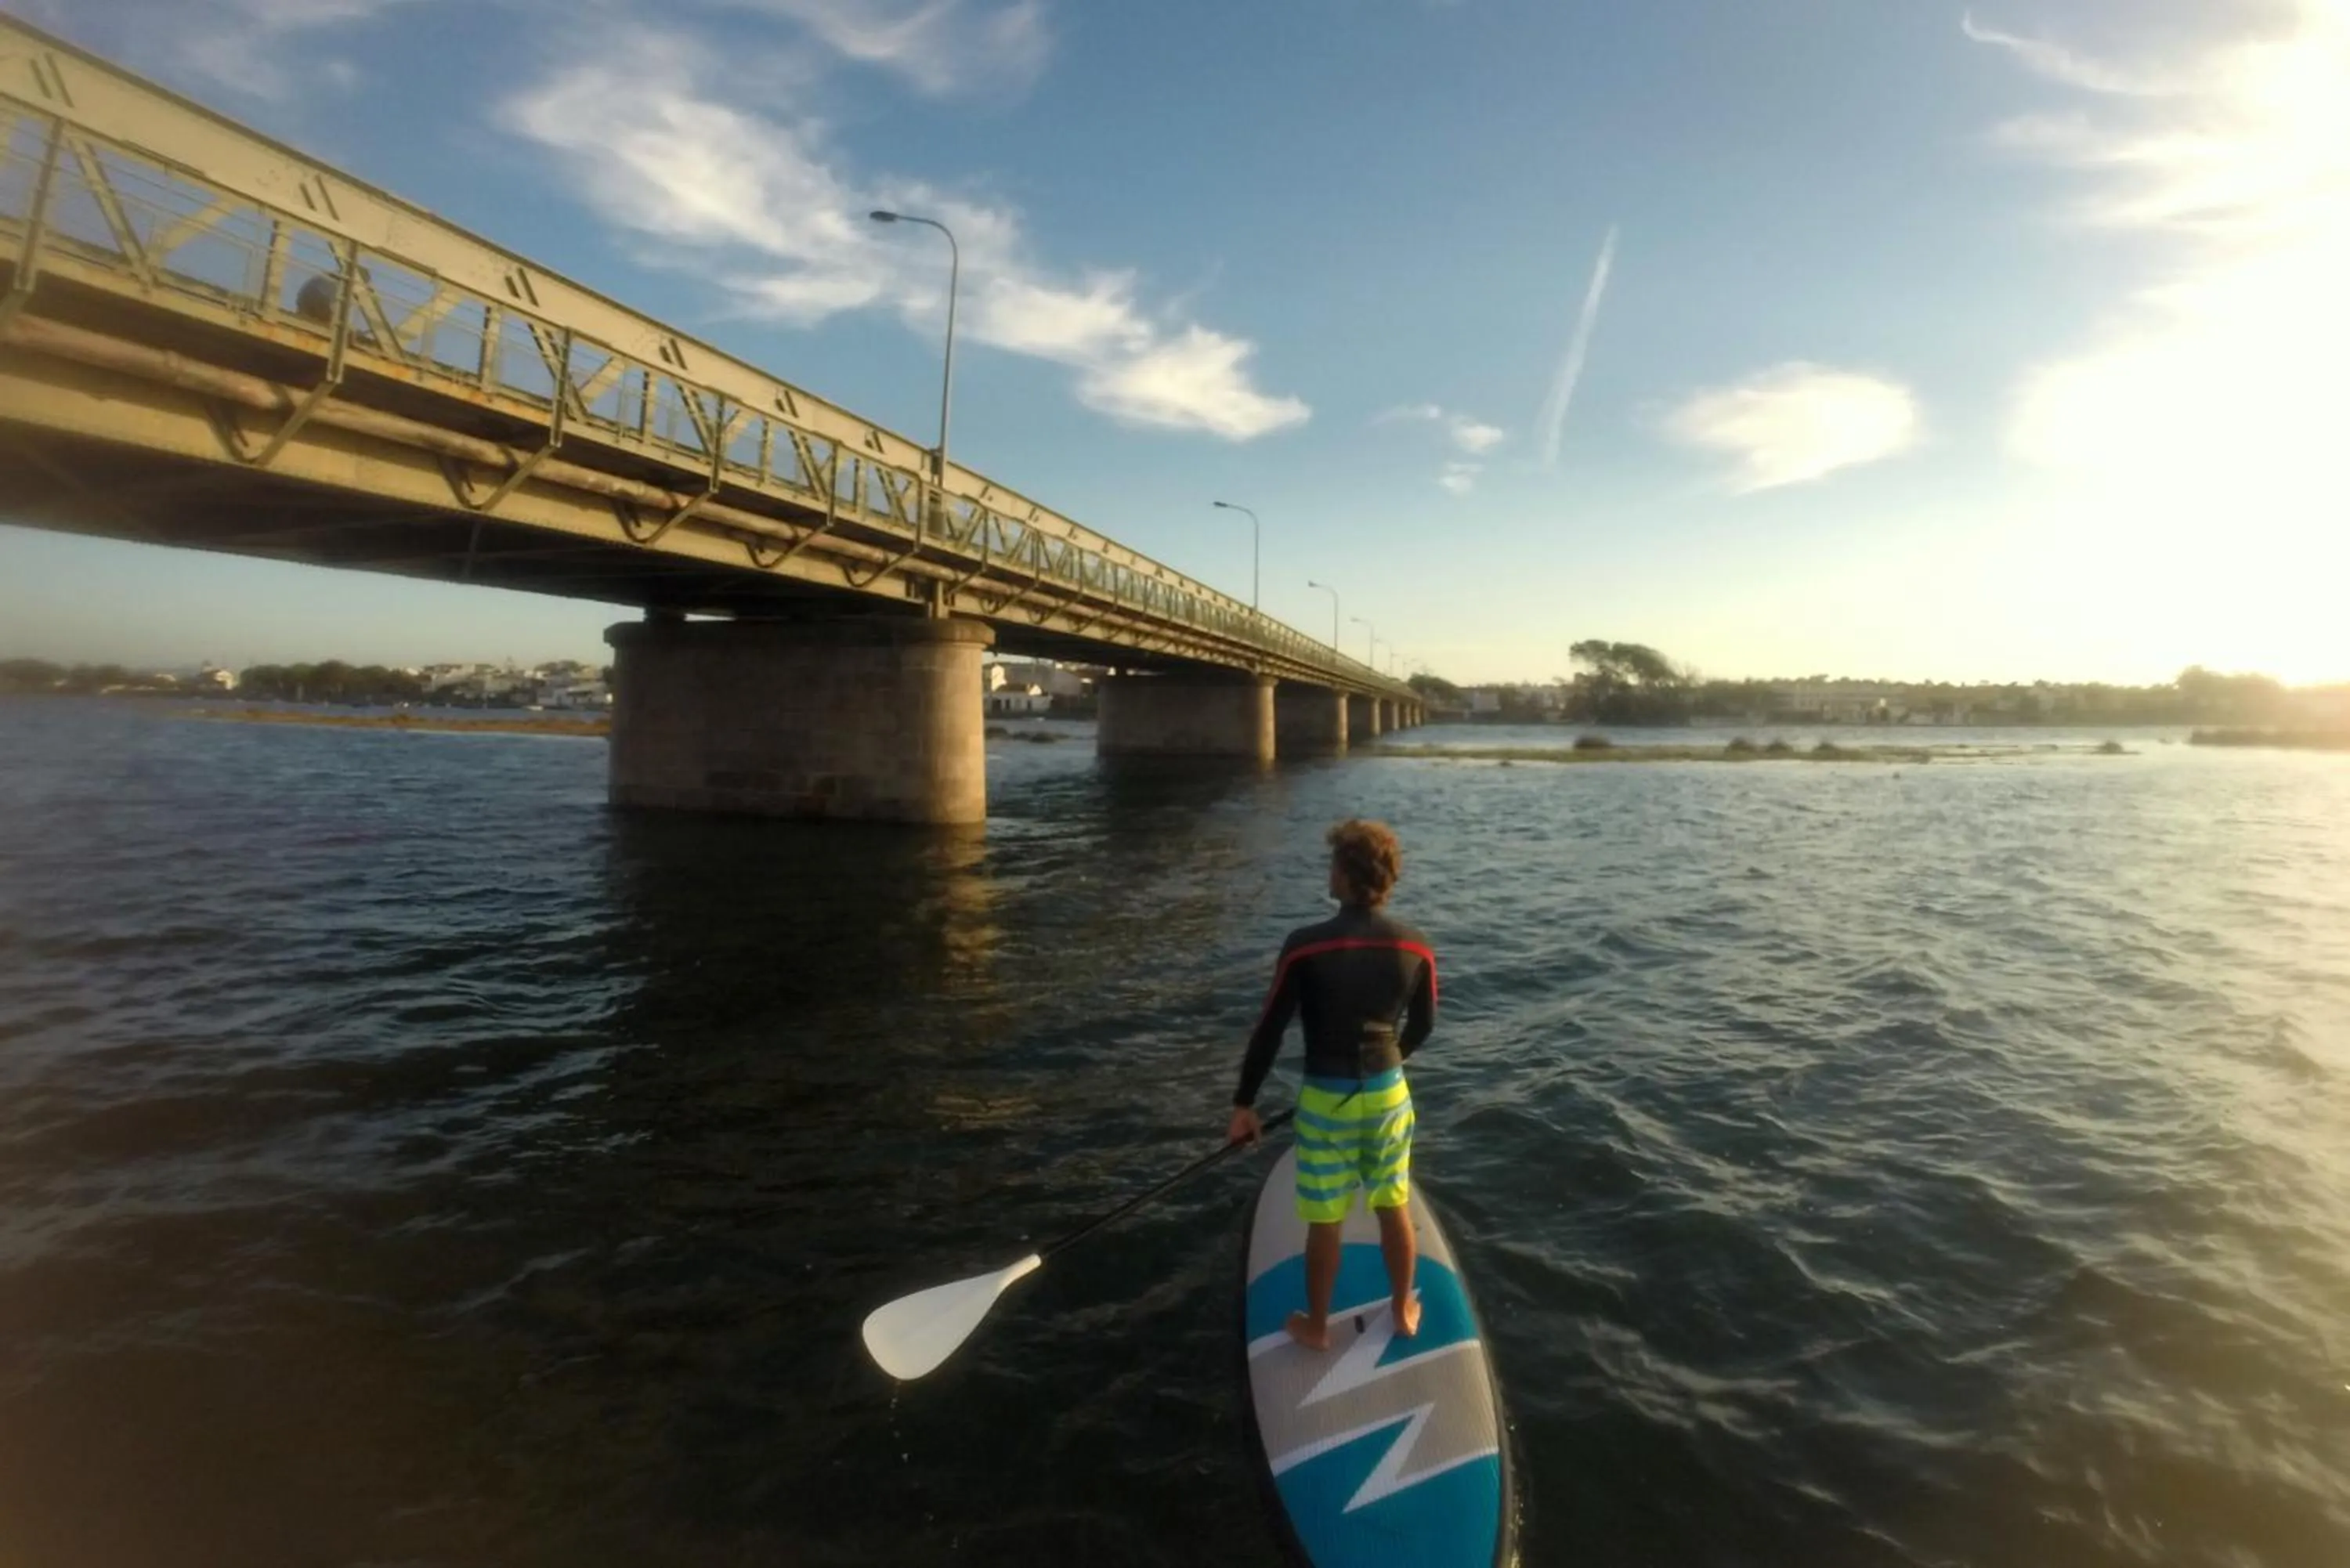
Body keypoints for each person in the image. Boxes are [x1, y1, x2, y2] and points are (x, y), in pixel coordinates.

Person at [1227, 818, 1437, 1350]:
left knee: (1325, 1220)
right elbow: (1423, 1026)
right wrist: (1390, 1063)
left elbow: (1270, 1029)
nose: (1329, 872)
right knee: (1393, 1203)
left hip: (1325, 1099)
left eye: (1333, 864)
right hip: (1388, 1093)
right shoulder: (1417, 946)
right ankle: (1402, 1308)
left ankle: (1318, 1326)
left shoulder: (1304, 946)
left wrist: (1245, 1103)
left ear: (1345, 874)